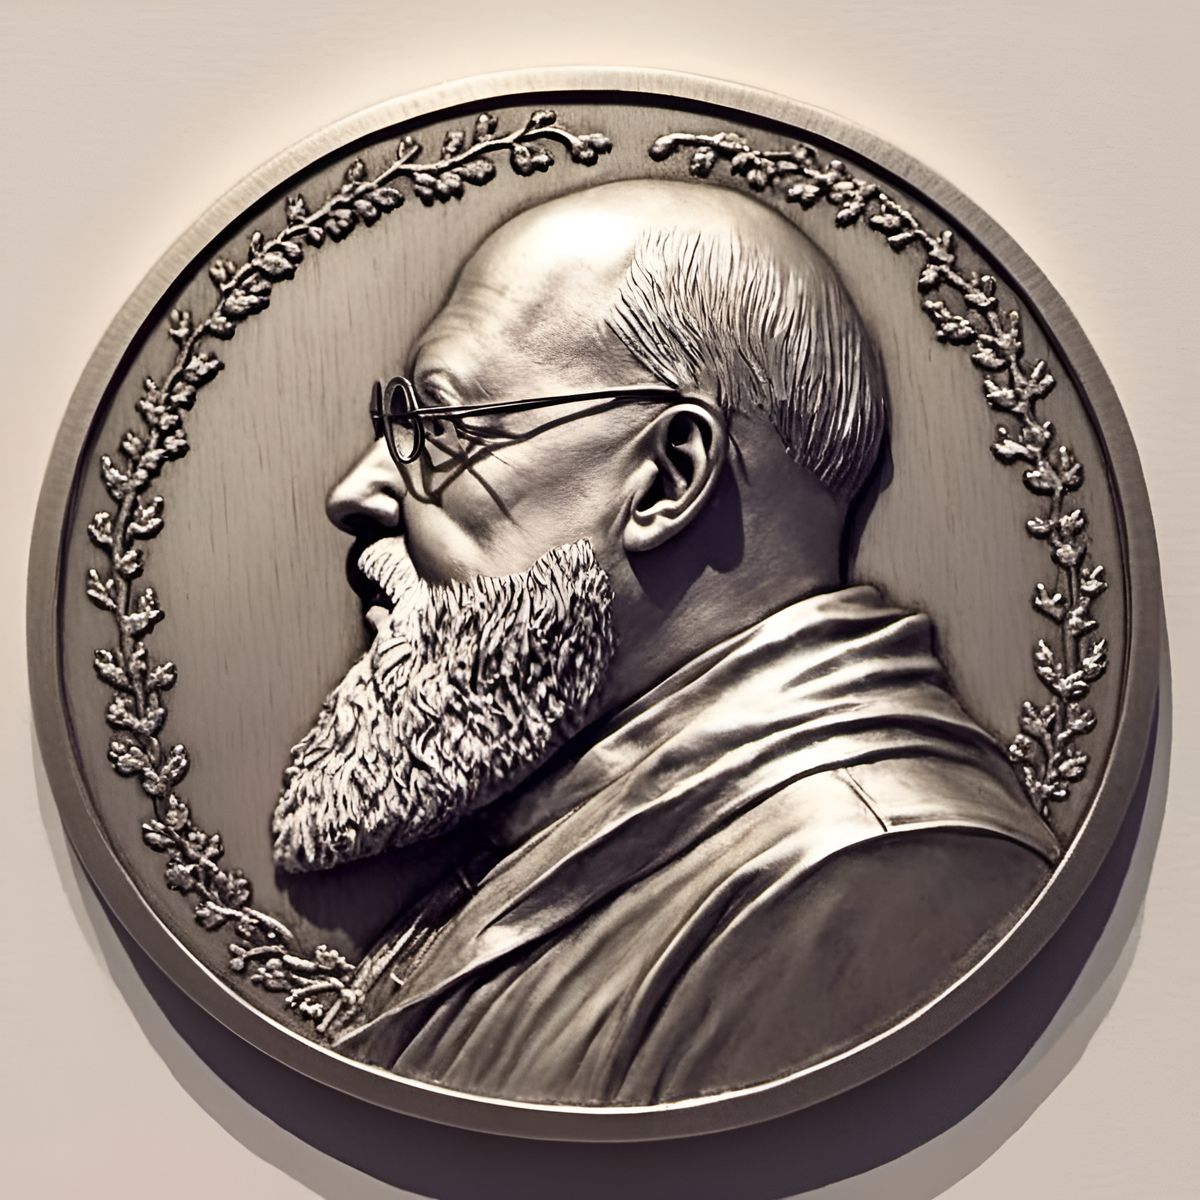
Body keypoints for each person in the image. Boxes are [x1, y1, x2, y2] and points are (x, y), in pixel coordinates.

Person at [270, 179, 1059, 1105]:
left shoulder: (880, 878)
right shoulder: (589, 815)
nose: (358, 491)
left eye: (437, 428)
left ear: (668, 477)